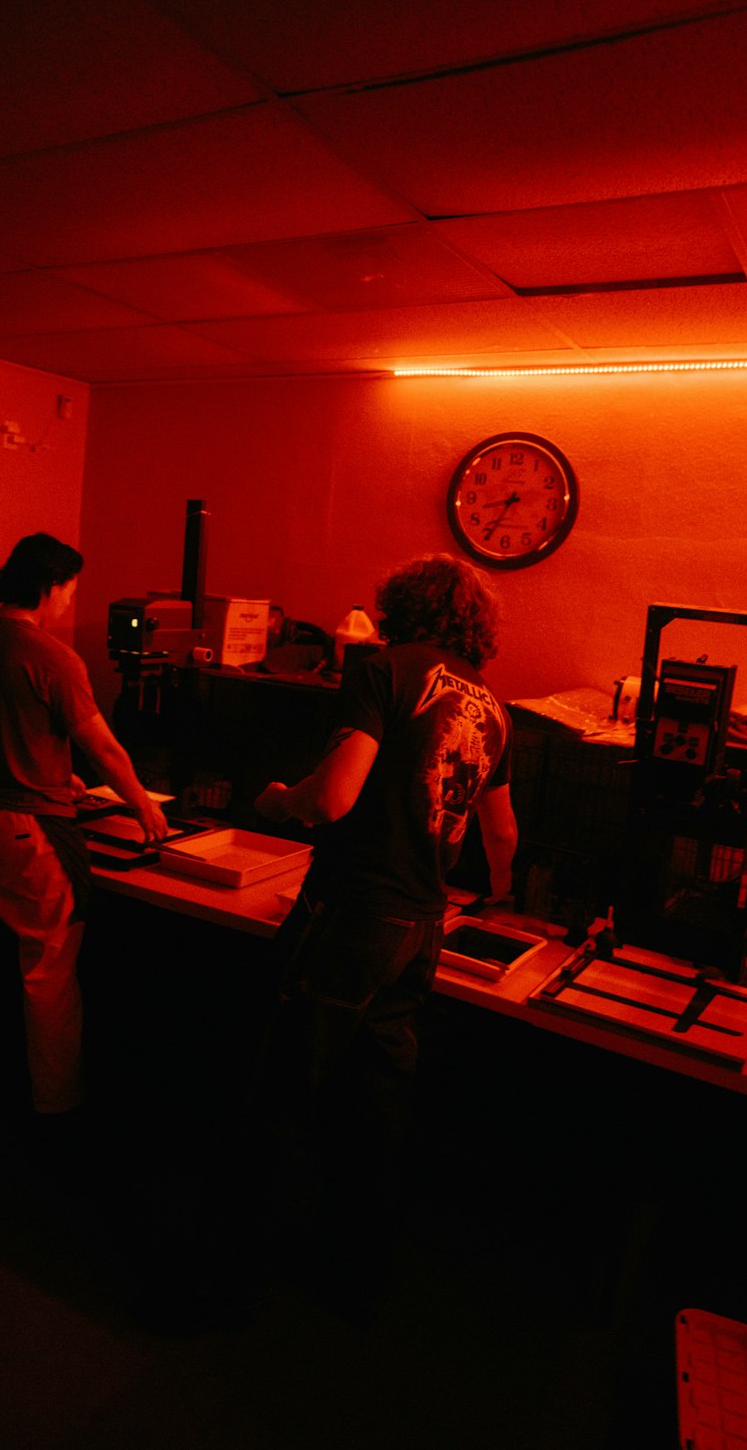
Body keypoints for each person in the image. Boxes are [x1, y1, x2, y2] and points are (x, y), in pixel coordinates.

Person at [253, 551, 518, 1318]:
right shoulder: (494, 709)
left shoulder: (383, 671)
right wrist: (495, 901)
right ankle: (357, 1273)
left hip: (351, 914)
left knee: (276, 1085)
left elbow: (334, 798)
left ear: (401, 607)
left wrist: (277, 802)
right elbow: (501, 834)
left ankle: (222, 1274)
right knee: (374, 1107)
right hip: (423, 930)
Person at [0, 533, 168, 1116]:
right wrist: (146, 807)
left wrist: (54, 772)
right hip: (29, 834)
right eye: (71, 589)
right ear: (52, 587)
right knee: (49, 969)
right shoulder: (51, 656)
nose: (71, 602)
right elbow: (102, 745)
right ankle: (56, 1104)